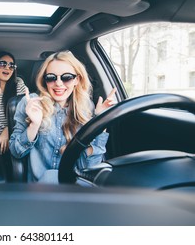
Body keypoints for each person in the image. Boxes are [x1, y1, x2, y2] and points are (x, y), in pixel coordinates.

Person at [9, 51, 116, 183]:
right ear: (45, 81)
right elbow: (16, 152)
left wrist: (100, 123)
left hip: (74, 187)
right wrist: (34, 125)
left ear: (77, 79)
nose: (58, 83)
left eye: (66, 77)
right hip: (41, 188)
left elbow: (91, 167)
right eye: (51, 77)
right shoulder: (31, 104)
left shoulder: (86, 107)